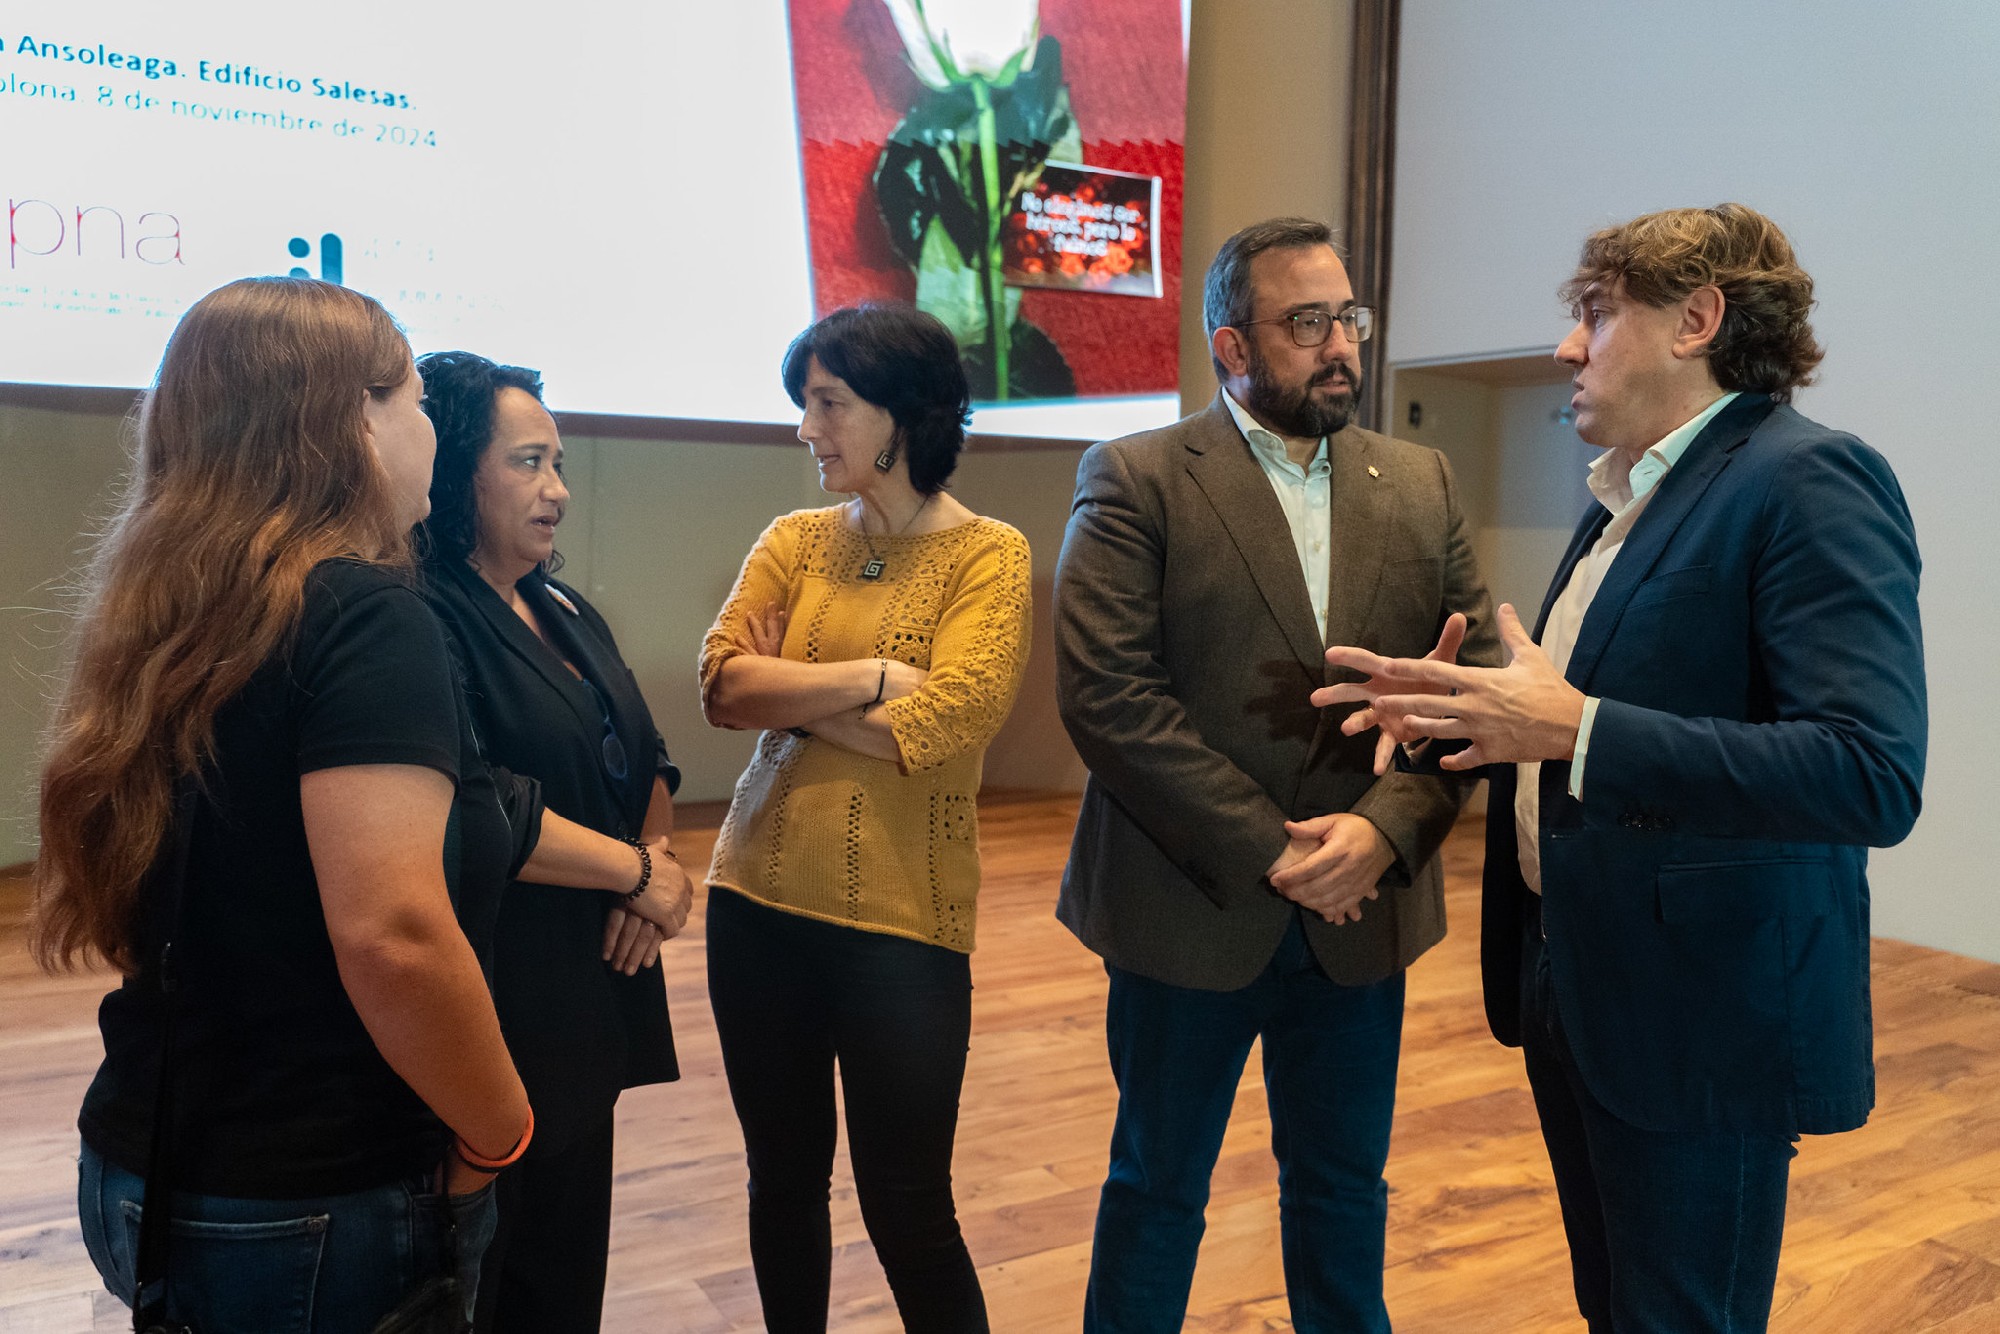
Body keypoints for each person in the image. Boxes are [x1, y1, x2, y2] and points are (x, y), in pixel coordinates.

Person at [30, 276, 689, 1333]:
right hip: (307, 1195)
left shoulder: (174, 604)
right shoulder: (366, 611)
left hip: (144, 1156)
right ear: (356, 420)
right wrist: (499, 1129)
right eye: (416, 399)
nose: (427, 425)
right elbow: (392, 934)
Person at [1319, 203, 1927, 1332]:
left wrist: (1572, 728)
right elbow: (1581, 713)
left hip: (1700, 1014)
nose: (1565, 346)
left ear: (1696, 319)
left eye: (1594, 315)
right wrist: (1465, 710)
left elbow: (1867, 769)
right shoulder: (1624, 498)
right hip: (1579, 980)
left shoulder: (1807, 479)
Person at [1052, 217, 1498, 1333]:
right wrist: (1283, 852)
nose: (1338, 343)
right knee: (1156, 1188)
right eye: (1305, 322)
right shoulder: (1137, 476)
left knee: (1344, 1188)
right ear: (1230, 344)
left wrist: (1383, 832)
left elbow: (1473, 684)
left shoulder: (1420, 480)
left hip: (1367, 911)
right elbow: (1109, 698)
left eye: (1345, 317)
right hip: (1188, 904)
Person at [699, 303, 1031, 1333]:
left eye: (829, 403)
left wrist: (788, 687)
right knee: (779, 1184)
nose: (807, 427)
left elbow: (940, 722)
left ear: (902, 414)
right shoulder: (793, 538)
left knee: (908, 1204)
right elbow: (719, 685)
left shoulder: (991, 555)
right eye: (806, 403)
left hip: (902, 924)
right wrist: (874, 675)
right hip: (752, 901)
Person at [415, 349, 692, 1333]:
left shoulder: (562, 604)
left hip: (585, 1000)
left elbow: (648, 760)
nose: (558, 491)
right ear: (453, 469)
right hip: (494, 995)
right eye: (529, 462)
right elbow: (480, 801)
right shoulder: (418, 612)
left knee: (563, 1277)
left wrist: (649, 877)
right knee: (486, 1283)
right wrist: (639, 874)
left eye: (560, 463)